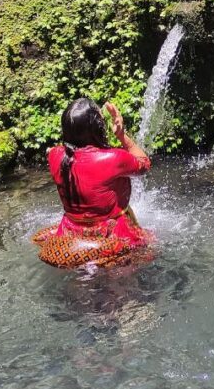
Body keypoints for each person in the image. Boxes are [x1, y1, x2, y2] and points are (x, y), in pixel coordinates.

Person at [33, 98, 153, 269]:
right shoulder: (114, 158)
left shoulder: (54, 155)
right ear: (98, 127)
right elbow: (144, 163)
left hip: (70, 232)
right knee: (152, 250)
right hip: (111, 236)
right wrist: (122, 136)